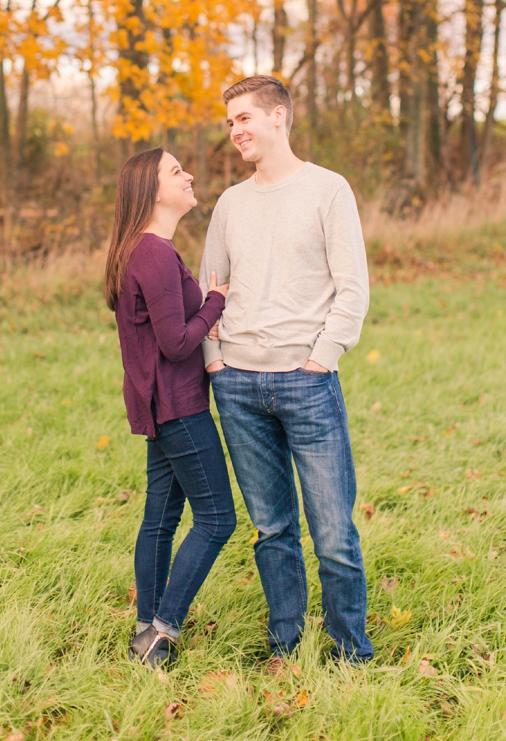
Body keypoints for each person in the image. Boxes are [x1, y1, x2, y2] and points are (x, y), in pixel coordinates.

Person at [199, 75, 374, 663]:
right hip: (239, 385)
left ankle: (350, 651)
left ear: (279, 117)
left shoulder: (328, 190)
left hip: (307, 380)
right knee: (272, 530)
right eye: (229, 123)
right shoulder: (229, 203)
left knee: (332, 533)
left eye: (244, 118)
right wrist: (215, 361)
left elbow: (352, 288)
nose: (236, 131)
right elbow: (210, 288)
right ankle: (285, 643)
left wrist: (323, 357)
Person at [105, 147, 236, 668]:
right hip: (179, 407)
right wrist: (217, 300)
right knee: (218, 519)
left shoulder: (138, 249)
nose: (189, 176)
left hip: (157, 405)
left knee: (160, 518)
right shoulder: (154, 253)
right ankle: (161, 632)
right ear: (151, 190)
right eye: (176, 171)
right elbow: (178, 343)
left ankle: (145, 630)